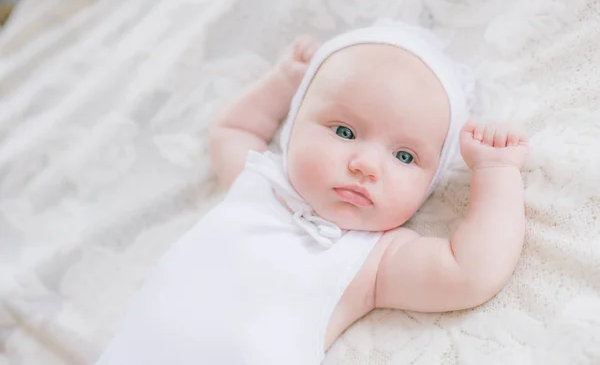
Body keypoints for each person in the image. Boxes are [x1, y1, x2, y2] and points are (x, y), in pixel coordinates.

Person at [95, 21, 529, 365]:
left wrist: (495, 171)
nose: (366, 165)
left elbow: (469, 273)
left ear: (432, 181)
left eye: (403, 156)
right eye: (344, 131)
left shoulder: (374, 258)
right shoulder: (261, 184)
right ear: (294, 125)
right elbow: (234, 129)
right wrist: (283, 81)